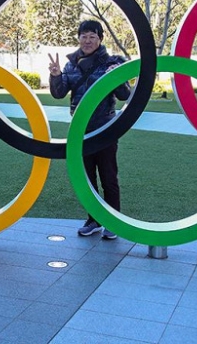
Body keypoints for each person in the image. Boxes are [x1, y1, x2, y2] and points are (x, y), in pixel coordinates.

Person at [48, 20, 131, 240]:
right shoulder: (71, 64)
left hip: (104, 128)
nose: (87, 40)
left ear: (100, 39)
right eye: (83, 35)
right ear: (78, 38)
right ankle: (93, 220)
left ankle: (113, 221)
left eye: (92, 36)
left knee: (108, 177)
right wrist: (55, 75)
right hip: (80, 130)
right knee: (87, 178)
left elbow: (125, 95)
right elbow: (59, 93)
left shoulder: (112, 62)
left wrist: (117, 77)